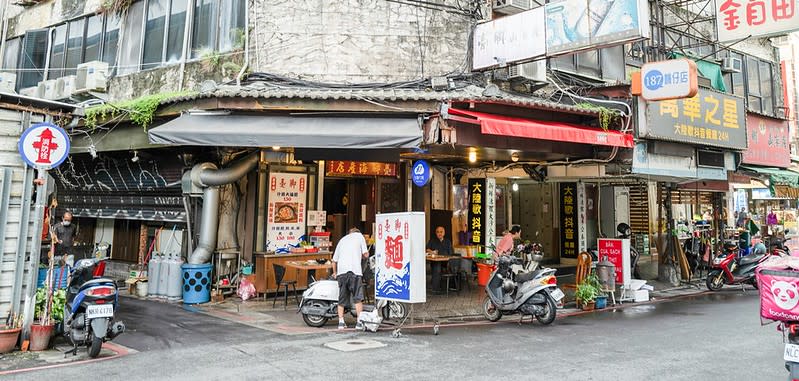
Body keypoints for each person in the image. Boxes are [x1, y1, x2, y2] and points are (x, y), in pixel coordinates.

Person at [332, 227, 369, 330]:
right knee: (357, 298)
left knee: (342, 298)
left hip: (342, 272)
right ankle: (359, 322)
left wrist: (335, 273)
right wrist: (364, 255)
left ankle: (341, 322)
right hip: (355, 271)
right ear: (358, 233)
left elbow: (334, 260)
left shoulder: (342, 240)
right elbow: (365, 254)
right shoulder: (360, 236)